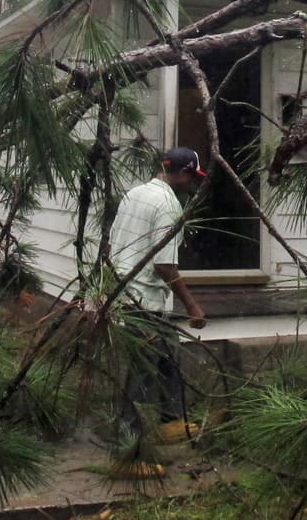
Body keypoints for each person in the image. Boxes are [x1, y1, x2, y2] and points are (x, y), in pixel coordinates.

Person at [106, 147, 207, 477]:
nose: (193, 184)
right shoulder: (167, 204)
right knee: (140, 376)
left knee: (169, 359)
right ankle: (126, 455)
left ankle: (171, 421)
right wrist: (191, 304)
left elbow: (113, 244)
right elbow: (164, 265)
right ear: (183, 173)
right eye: (192, 177)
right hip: (143, 302)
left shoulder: (135, 193)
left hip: (126, 293)